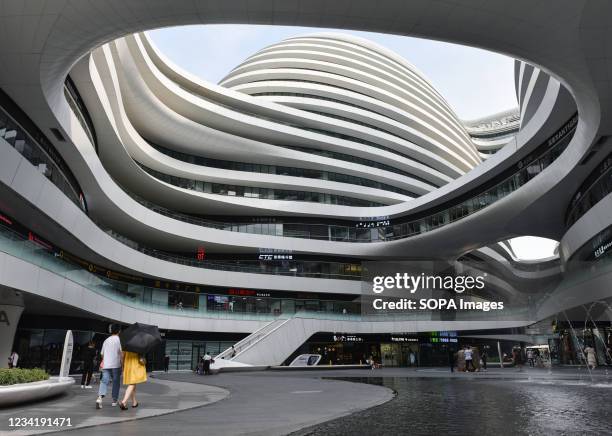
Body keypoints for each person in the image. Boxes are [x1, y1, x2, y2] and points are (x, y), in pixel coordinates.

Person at [96, 324, 122, 409]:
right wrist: (122, 363)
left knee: (104, 381)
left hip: (106, 365)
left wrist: (106, 360)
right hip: (116, 365)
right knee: (116, 382)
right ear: (119, 331)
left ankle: (99, 398)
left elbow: (102, 354)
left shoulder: (106, 340)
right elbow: (121, 353)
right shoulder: (119, 340)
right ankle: (114, 401)